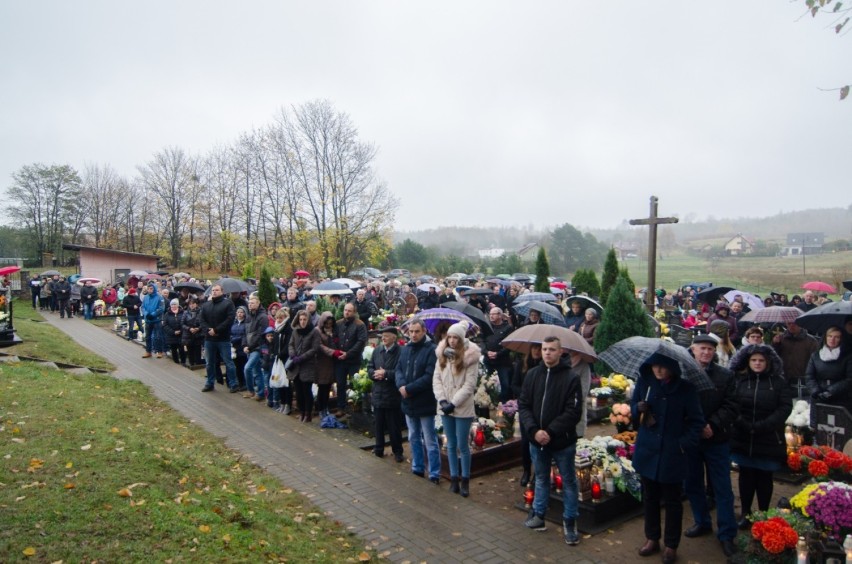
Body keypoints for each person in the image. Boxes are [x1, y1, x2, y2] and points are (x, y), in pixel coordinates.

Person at [631, 354, 704, 563]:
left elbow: (697, 421)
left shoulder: (686, 389)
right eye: (655, 365)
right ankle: (652, 538)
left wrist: (682, 443)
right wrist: (638, 408)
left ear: (673, 367)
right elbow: (633, 406)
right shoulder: (645, 382)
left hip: (672, 452)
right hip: (648, 450)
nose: (658, 370)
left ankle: (671, 544)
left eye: (663, 366)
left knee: (672, 501)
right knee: (650, 497)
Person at [519, 336, 584, 547]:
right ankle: (539, 515)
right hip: (536, 440)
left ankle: (570, 521)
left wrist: (550, 431)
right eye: (545, 349)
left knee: (568, 481)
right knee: (540, 478)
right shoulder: (532, 375)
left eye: (552, 349)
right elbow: (524, 405)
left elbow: (573, 412)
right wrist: (533, 431)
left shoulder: (570, 378)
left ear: (560, 351)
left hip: (562, 442)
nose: (547, 353)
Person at [683, 334, 739, 559]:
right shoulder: (683, 374)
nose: (706, 352)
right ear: (693, 350)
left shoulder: (725, 375)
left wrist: (713, 425)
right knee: (693, 484)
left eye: (709, 349)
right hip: (692, 440)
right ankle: (702, 521)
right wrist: (696, 426)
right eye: (702, 348)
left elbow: (732, 405)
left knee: (722, 487)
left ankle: (726, 533)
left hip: (717, 439)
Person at [728, 344, 793, 529]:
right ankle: (746, 513)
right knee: (746, 476)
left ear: (768, 362)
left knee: (764, 478)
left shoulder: (778, 382)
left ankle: (763, 513)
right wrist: (742, 423)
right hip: (743, 436)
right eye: (754, 360)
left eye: (761, 360)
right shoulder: (740, 380)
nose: (757, 363)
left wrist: (762, 426)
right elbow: (732, 403)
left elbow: (784, 408)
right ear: (747, 362)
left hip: (768, 437)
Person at [433, 321, 480, 497]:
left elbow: (469, 385)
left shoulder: (470, 357)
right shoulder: (442, 355)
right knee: (450, 444)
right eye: (449, 337)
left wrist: (454, 403)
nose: (452, 340)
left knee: (463, 444)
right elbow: (436, 379)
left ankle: (465, 479)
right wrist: (443, 400)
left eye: (455, 337)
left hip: (462, 408)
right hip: (445, 407)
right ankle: (454, 478)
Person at [395, 318, 440, 483]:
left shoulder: (431, 350)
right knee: (413, 436)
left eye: (417, 331)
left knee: (430, 439)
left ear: (424, 331)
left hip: (424, 400)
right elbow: (399, 369)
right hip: (408, 401)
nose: (413, 335)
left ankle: (434, 472)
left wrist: (409, 389)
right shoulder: (405, 349)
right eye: (411, 331)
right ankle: (418, 467)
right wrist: (401, 386)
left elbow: (429, 376)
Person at [368, 326, 404, 461]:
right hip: (378, 391)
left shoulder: (400, 352)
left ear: (394, 338)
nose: (383, 338)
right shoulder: (377, 351)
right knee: (378, 424)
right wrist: (373, 374)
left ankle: (397, 451)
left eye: (387, 336)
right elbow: (370, 366)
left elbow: (401, 371)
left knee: (394, 425)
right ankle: (379, 448)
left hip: (392, 393)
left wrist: (386, 374)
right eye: (382, 336)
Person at [805, 326, 852, 424]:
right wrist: (815, 391)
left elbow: (849, 379)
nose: (832, 339)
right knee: (819, 429)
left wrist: (831, 391)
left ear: (841, 339)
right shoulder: (816, 356)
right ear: (825, 337)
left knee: (840, 429)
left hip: (840, 398)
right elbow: (809, 376)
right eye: (830, 336)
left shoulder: (847, 357)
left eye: (837, 337)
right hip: (819, 397)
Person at [511, 343, 542, 488]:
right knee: (525, 442)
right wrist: (524, 392)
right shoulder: (521, 365)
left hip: (540, 408)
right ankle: (526, 470)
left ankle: (538, 472)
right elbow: (514, 385)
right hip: (526, 407)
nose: (537, 351)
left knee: (537, 441)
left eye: (540, 348)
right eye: (535, 348)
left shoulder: (544, 367)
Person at [199, 284, 238, 393]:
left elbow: (229, 319)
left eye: (217, 290)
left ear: (222, 291)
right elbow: (201, 320)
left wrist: (216, 330)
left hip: (223, 338)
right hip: (209, 339)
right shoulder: (206, 305)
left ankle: (233, 383)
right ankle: (210, 383)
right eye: (213, 290)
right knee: (209, 362)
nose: (214, 292)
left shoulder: (228, 304)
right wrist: (208, 330)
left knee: (228, 362)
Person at [332, 302, 368, 416]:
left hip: (353, 360)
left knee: (354, 384)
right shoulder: (338, 324)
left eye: (349, 311)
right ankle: (341, 407)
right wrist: (337, 352)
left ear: (354, 312)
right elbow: (334, 338)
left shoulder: (360, 325)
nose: (346, 312)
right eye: (345, 310)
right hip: (340, 360)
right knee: (340, 384)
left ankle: (355, 407)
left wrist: (348, 354)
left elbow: (361, 342)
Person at [772, 320, 819, 398]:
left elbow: (815, 361)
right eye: (789, 324)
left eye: (795, 324)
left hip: (803, 378)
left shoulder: (811, 341)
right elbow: (774, 357)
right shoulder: (781, 339)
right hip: (785, 378)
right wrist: (775, 344)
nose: (792, 326)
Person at [288, 309, 320, 422]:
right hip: (296, 365)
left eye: (304, 319)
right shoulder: (295, 331)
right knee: (298, 391)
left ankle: (308, 413)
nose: (302, 322)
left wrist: (302, 357)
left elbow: (315, 348)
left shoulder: (314, 332)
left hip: (308, 365)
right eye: (300, 319)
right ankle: (301, 411)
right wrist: (292, 355)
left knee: (307, 391)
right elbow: (291, 344)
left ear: (308, 320)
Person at [482, 307, 514, 403]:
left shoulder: (508, 328)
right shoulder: (487, 326)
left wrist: (498, 353)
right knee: (487, 384)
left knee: (505, 384)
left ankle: (503, 405)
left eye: (494, 314)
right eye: (490, 314)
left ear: (500, 315)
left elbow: (509, 345)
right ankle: (489, 403)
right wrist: (486, 352)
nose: (491, 316)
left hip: (502, 361)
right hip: (488, 360)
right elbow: (481, 341)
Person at [242, 296, 269, 401]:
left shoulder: (263, 317)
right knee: (256, 371)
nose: (250, 304)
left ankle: (251, 390)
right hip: (249, 347)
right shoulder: (248, 316)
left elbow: (261, 334)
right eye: (249, 303)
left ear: (258, 303)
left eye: (253, 303)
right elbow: (245, 332)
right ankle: (260, 393)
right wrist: (244, 345)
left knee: (247, 368)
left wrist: (250, 347)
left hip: (258, 348)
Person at [315, 311, 337, 418]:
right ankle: (321, 408)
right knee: (322, 387)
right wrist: (332, 352)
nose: (329, 325)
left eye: (330, 323)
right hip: (322, 363)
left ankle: (326, 407)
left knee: (328, 387)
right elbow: (319, 346)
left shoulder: (333, 331)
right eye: (327, 323)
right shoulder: (317, 331)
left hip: (331, 363)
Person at [141, 282, 166, 358]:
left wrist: (153, 314)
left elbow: (161, 308)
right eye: (148, 288)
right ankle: (148, 351)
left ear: (154, 289)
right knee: (148, 336)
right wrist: (146, 314)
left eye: (151, 288)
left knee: (158, 336)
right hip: (148, 320)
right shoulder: (145, 297)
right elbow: (142, 307)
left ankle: (160, 351)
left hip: (156, 320)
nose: (149, 290)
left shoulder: (159, 297)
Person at [181, 296, 204, 366]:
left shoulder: (201, 312)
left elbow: (203, 323)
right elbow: (182, 323)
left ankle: (198, 364)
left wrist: (198, 328)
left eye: (193, 303)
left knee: (197, 352)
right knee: (190, 351)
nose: (192, 305)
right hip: (188, 335)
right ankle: (191, 364)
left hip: (198, 335)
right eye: (190, 304)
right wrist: (189, 328)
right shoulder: (185, 312)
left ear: (196, 304)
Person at [163, 299, 186, 365]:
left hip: (181, 334)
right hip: (172, 335)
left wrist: (181, 331)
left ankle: (183, 362)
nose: (173, 306)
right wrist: (173, 332)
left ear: (178, 305)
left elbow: (185, 322)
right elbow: (165, 325)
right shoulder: (167, 314)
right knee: (174, 349)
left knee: (182, 349)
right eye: (172, 304)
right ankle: (176, 362)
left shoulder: (183, 313)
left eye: (175, 304)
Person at [230, 307, 249, 390]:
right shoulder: (234, 323)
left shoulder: (246, 323)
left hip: (242, 347)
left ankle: (245, 383)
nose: (239, 314)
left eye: (241, 312)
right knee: (237, 366)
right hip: (234, 348)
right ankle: (240, 382)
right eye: (238, 312)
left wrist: (236, 339)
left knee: (243, 366)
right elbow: (230, 333)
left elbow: (244, 335)